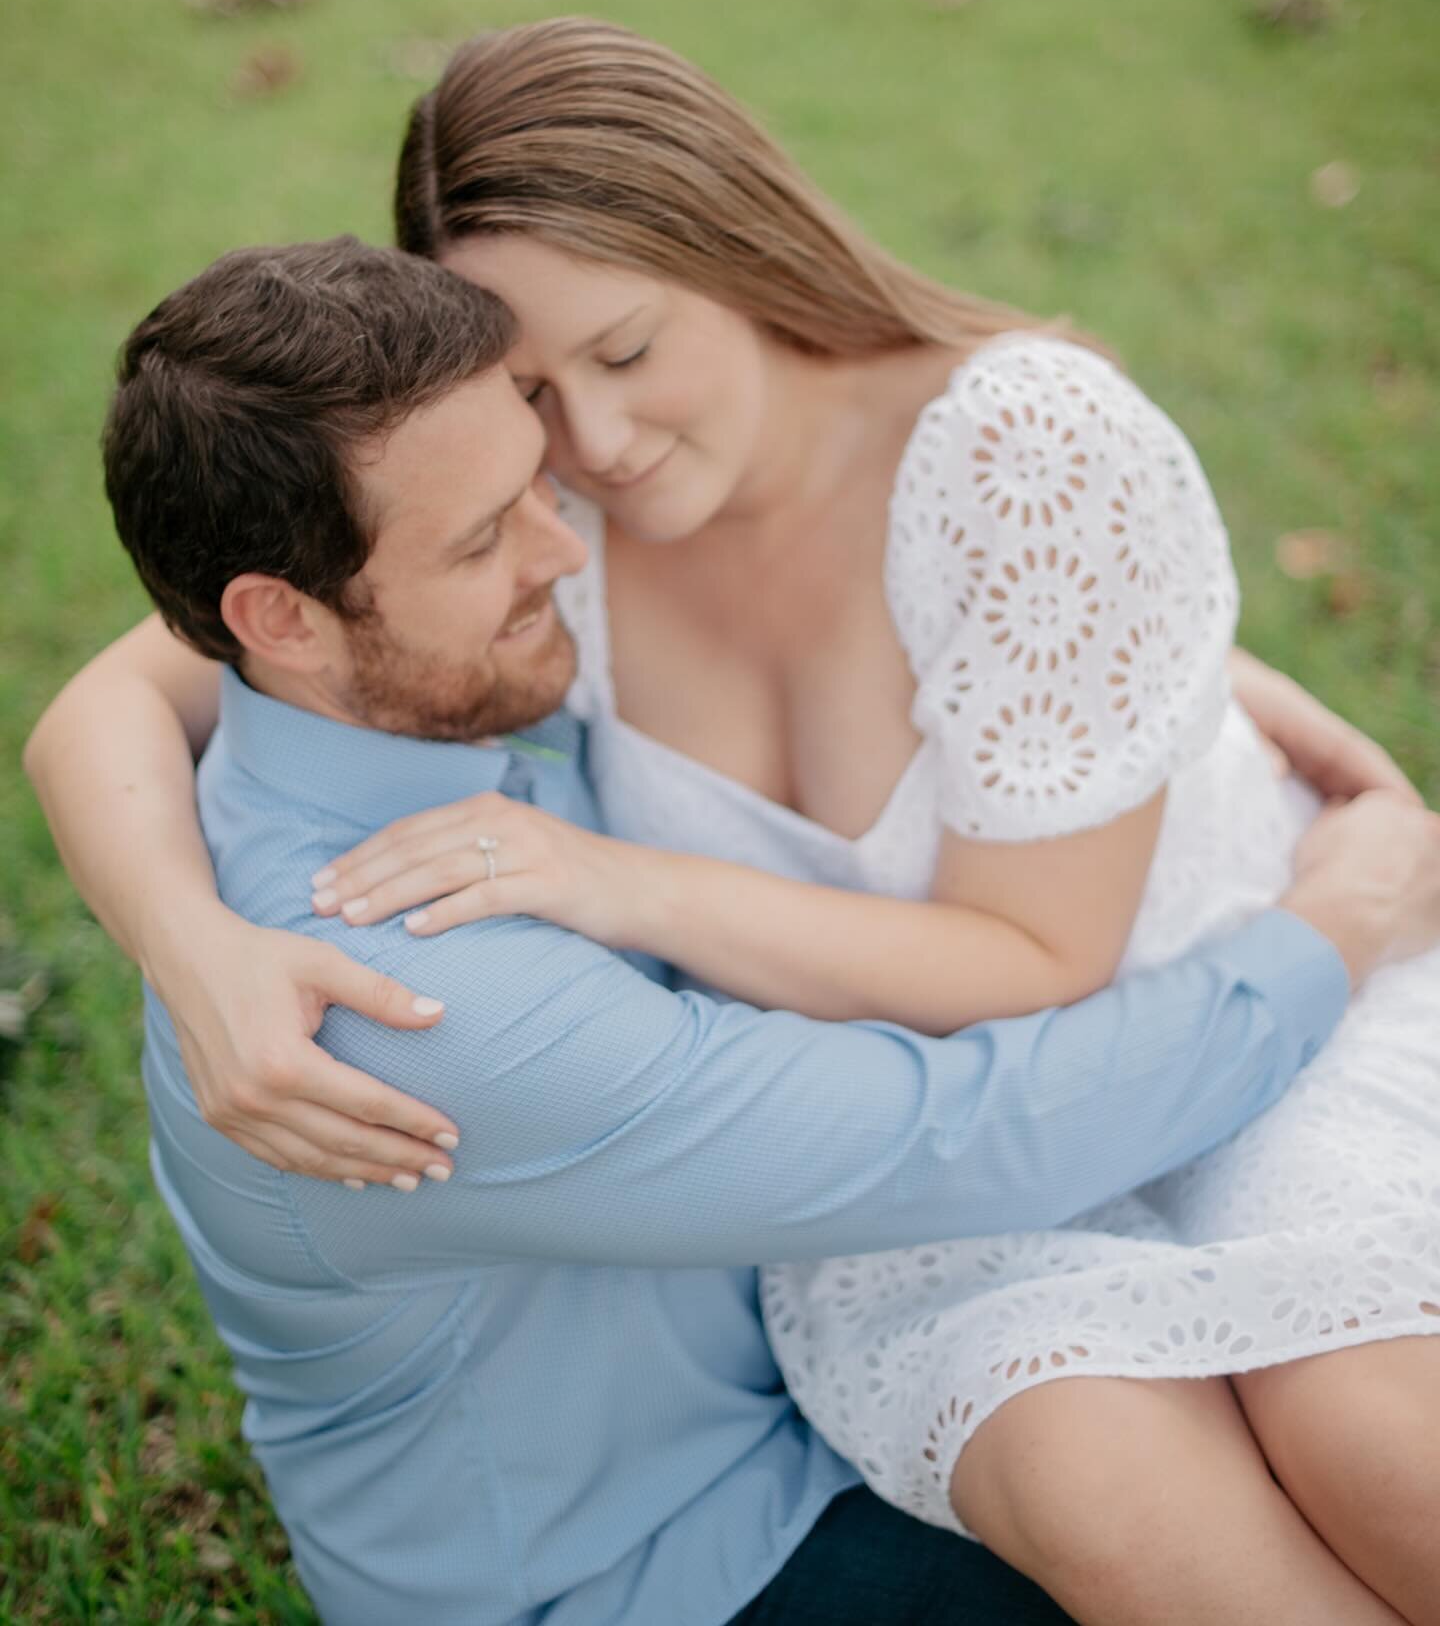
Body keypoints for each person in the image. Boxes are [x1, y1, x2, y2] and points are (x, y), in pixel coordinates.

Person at [34, 234, 1440, 1626]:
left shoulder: (395, 693)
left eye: (538, 489)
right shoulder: (407, 995)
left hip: (768, 1404)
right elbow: (965, 1135)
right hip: (680, 1564)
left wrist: (1188, 666)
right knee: (1169, 1544)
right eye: (486, 539)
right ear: (279, 620)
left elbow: (108, 699)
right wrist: (1330, 926)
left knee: (1351, 1438)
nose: (561, 546)